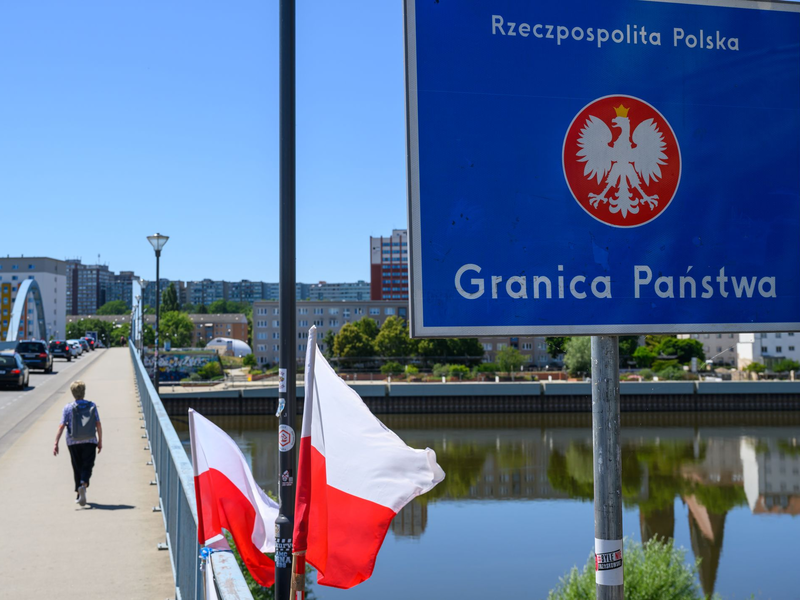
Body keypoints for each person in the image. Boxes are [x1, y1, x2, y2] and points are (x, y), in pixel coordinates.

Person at [53, 380, 103, 506]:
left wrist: (56, 443)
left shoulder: (68, 407)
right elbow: (98, 423)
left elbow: (61, 426)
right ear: (84, 391)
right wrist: (100, 440)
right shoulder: (92, 405)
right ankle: (83, 484)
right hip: (90, 440)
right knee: (88, 465)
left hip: (73, 441)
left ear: (73, 392)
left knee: (77, 466)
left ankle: (79, 492)